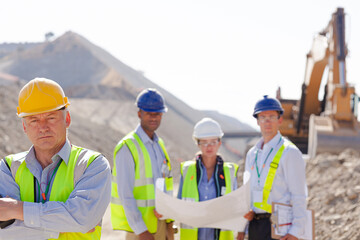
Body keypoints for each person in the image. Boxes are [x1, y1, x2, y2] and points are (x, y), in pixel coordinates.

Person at [0, 77, 111, 239]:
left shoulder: (92, 164)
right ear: (24, 126)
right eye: (33, 120)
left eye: (51, 117)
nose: (43, 127)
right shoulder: (8, 167)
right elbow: (5, 231)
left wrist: (17, 209)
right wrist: (64, 225)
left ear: (67, 119)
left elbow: (83, 217)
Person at [237, 95, 307, 240]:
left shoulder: (290, 153)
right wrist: (241, 227)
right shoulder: (252, 154)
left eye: (272, 116)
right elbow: (247, 194)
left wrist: (296, 231)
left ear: (280, 119)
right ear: (257, 121)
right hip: (255, 226)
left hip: (280, 227)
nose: (267, 121)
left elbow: (299, 195)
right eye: (262, 117)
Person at [111, 88, 174, 240]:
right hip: (141, 231)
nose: (153, 117)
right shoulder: (127, 147)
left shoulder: (160, 146)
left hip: (163, 226)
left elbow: (165, 185)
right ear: (139, 113)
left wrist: (169, 223)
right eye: (149, 113)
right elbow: (125, 193)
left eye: (157, 113)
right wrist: (141, 231)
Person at [177, 117, 239, 240]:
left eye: (213, 142)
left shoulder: (230, 172)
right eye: (204, 142)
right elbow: (178, 206)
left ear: (219, 143)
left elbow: (236, 208)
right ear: (198, 144)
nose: (208, 146)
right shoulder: (187, 170)